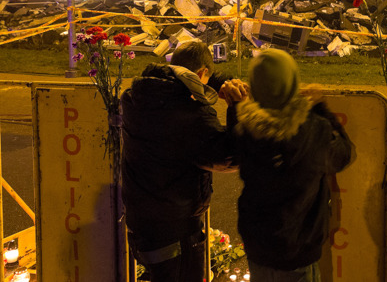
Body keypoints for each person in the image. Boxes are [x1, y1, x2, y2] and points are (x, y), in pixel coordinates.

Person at [121, 40, 247, 282]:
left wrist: (216, 83)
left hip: (143, 222)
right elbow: (230, 158)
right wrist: (236, 108)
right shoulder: (191, 115)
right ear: (202, 74)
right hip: (175, 232)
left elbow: (181, 80)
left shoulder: (138, 98)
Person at [230, 49, 355, 281]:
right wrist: (321, 109)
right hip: (298, 253)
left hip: (258, 248)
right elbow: (344, 155)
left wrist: (233, 106)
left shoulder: (245, 130)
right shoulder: (314, 130)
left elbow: (232, 150)